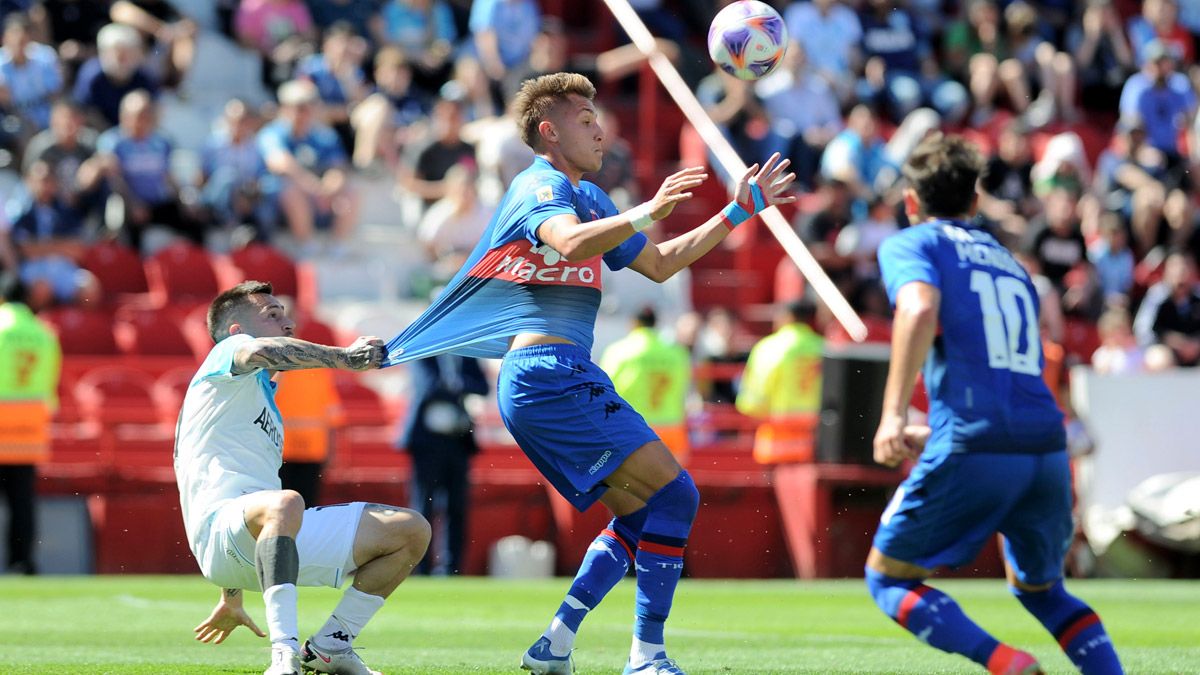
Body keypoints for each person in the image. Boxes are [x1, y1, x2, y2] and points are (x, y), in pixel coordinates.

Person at [381, 73, 795, 675]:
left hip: (559, 373)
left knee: (639, 514)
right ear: (549, 131)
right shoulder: (536, 187)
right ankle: (646, 657)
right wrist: (648, 208)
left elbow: (658, 263)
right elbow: (570, 245)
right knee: (676, 493)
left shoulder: (593, 197)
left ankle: (555, 643)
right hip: (545, 372)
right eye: (584, 119)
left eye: (597, 115)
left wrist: (737, 211)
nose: (600, 129)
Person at [868, 134, 1123, 674]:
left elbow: (918, 308)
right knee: (1043, 591)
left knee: (888, 577)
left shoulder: (913, 243)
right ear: (975, 202)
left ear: (911, 202)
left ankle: (1006, 664)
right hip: (1046, 447)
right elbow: (1004, 370)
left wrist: (892, 414)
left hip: (978, 442)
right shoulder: (1013, 266)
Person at [178, 281, 431, 675]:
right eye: (273, 315)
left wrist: (232, 594)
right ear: (236, 332)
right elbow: (264, 350)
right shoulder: (225, 353)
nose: (288, 322)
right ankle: (284, 655)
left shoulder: (259, 396)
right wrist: (345, 357)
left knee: (410, 530)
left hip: (256, 539)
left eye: (286, 313)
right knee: (286, 500)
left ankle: (332, 644)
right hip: (222, 535)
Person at [398, 353, 488, 575]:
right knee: (422, 506)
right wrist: (458, 385)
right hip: (426, 441)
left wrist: (455, 383)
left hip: (457, 440)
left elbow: (483, 386)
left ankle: (451, 567)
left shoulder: (466, 355)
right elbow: (427, 386)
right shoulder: (423, 353)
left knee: (456, 507)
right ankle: (420, 566)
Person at [0, 272, 60, 574]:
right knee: (22, 500)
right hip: (29, 427)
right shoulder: (44, 333)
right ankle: (21, 561)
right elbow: (50, 382)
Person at [599, 306, 692, 465]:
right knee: (673, 483)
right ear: (655, 323)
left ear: (634, 323)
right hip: (671, 426)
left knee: (635, 484)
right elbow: (684, 388)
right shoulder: (677, 352)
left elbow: (603, 390)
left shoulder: (618, 351)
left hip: (633, 427)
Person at [735, 301, 823, 465]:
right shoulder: (823, 347)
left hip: (778, 437)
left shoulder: (769, 347)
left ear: (787, 317)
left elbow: (754, 397)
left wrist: (748, 408)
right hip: (815, 438)